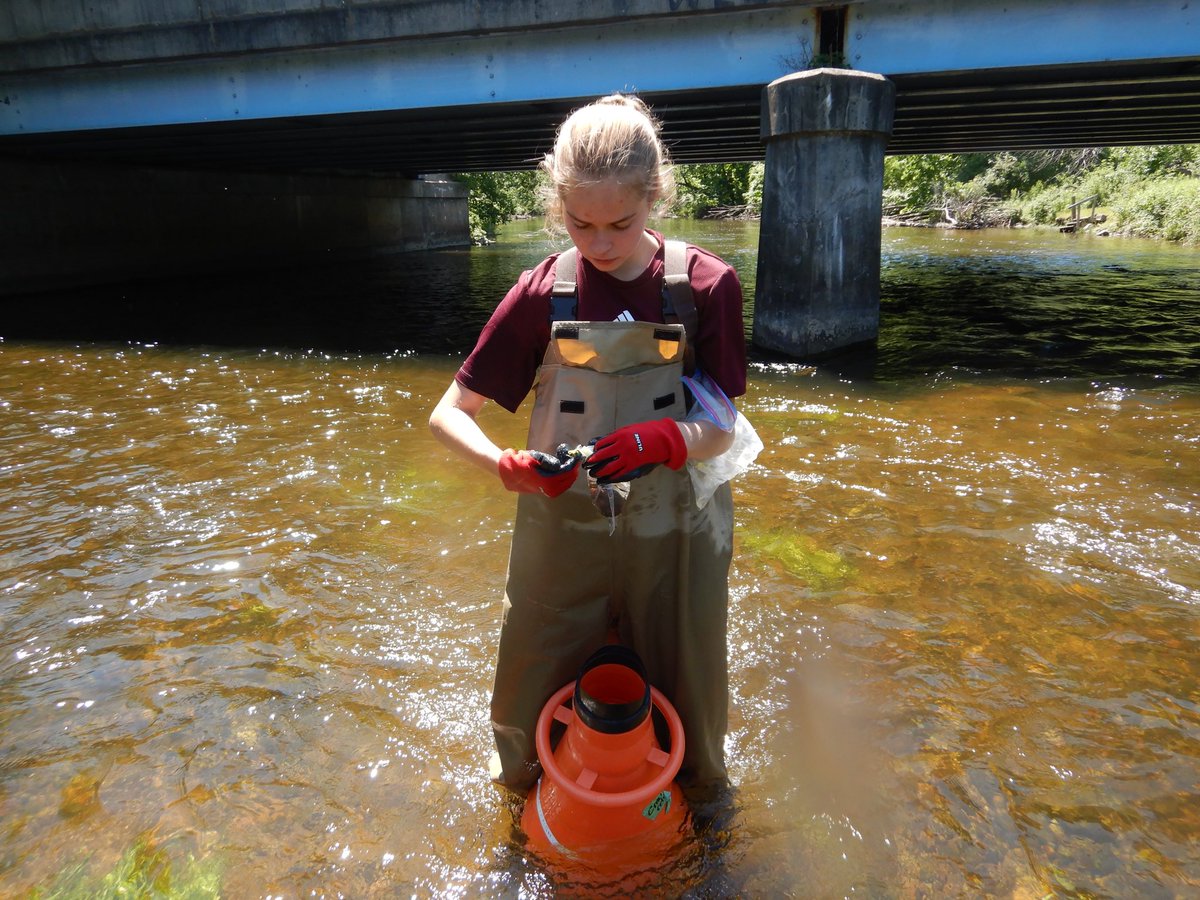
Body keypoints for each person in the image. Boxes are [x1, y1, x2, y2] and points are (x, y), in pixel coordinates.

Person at [428, 93, 748, 795]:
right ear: (558, 206)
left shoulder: (704, 288)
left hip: (676, 529)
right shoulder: (541, 293)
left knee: (687, 678)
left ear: (655, 197)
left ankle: (701, 816)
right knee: (529, 680)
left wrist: (666, 438)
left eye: (620, 224)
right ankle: (519, 810)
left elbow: (722, 428)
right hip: (561, 523)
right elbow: (450, 412)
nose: (599, 244)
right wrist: (503, 464)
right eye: (580, 224)